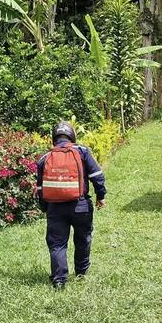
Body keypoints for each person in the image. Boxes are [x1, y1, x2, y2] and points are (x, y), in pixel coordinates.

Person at [36, 121, 107, 289]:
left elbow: (40, 187)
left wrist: (44, 208)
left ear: (54, 138)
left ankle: (59, 280)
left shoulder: (45, 158)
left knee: (57, 244)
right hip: (80, 206)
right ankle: (81, 272)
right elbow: (97, 175)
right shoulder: (82, 152)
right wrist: (101, 196)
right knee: (83, 238)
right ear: (72, 136)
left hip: (55, 208)